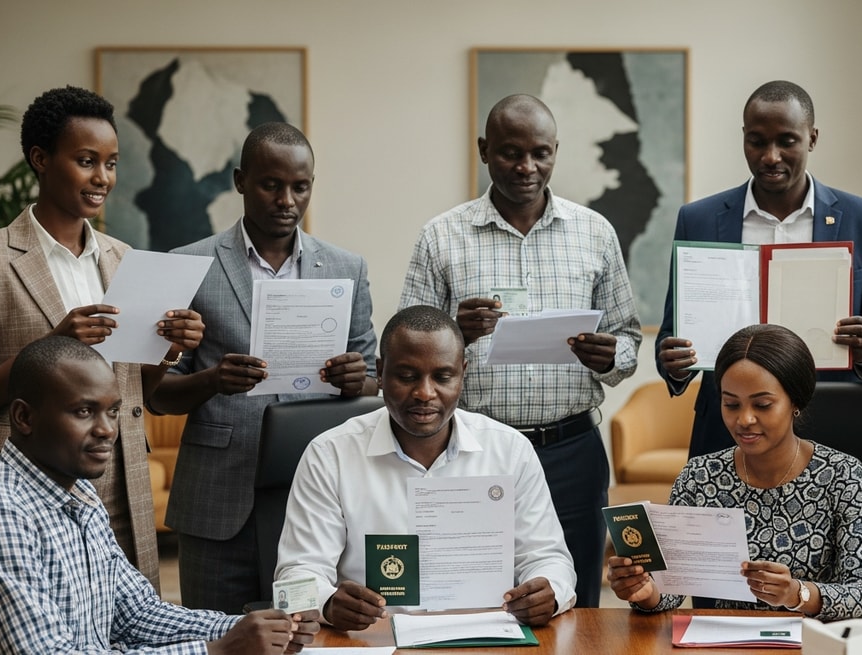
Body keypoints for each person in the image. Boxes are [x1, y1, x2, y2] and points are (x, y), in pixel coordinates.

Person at [397, 94, 641, 608]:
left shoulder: (595, 233)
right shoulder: (441, 236)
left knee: (571, 600)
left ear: (556, 151)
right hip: (471, 451)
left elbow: (629, 340)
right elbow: (406, 344)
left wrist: (610, 356)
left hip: (572, 449)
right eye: (510, 152)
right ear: (485, 150)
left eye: (540, 153)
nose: (527, 167)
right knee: (466, 596)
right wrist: (454, 331)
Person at [148, 122, 378, 614]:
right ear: (239, 181)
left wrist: (359, 381)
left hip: (314, 495)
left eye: (300, 186)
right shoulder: (189, 264)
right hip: (216, 498)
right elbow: (157, 395)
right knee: (216, 634)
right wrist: (212, 380)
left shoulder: (346, 268)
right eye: (271, 184)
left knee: (305, 635)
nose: (287, 200)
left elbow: (376, 379)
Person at [0, 86, 205, 587]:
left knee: (129, 628)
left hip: (120, 483)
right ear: (40, 159)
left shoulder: (125, 259)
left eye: (111, 162)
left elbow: (139, 392)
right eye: (86, 160)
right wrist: (49, 347)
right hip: (22, 486)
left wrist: (168, 350)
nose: (102, 177)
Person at [0, 335, 319, 654]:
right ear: (23, 417)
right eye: (84, 412)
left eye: (113, 411)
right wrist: (216, 651)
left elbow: (138, 615)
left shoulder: (80, 491)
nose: (107, 430)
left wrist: (247, 628)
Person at [274, 305, 576, 630]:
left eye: (443, 377)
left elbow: (549, 559)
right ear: (380, 371)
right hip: (376, 641)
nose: (424, 393)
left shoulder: (509, 450)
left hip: (487, 638)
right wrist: (329, 604)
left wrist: (550, 592)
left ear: (463, 372)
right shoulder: (330, 454)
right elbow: (294, 579)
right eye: (407, 376)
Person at [657, 80, 862, 459]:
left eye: (787, 141)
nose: (771, 156)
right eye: (757, 141)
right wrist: (674, 366)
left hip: (829, 431)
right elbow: (671, 336)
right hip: (726, 436)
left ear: (812, 138)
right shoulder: (699, 219)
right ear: (744, 138)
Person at [608, 323, 862, 619]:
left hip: (817, 642)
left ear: (796, 402)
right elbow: (672, 588)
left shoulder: (842, 475)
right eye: (731, 404)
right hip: (724, 645)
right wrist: (645, 592)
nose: (744, 419)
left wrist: (797, 593)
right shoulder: (700, 477)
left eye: (763, 405)